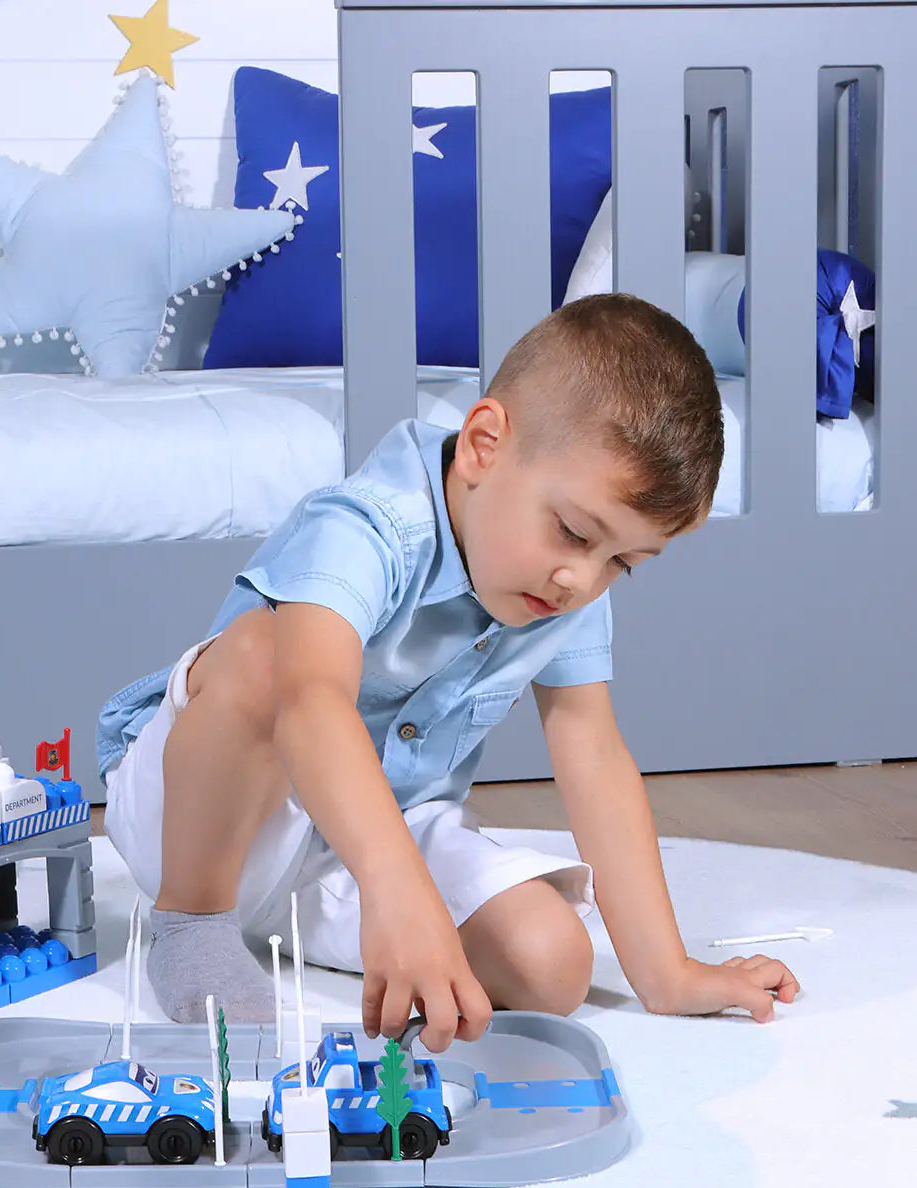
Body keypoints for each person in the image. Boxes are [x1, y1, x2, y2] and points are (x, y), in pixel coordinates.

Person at [96, 293, 800, 1053]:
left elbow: (594, 757)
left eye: (621, 562)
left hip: (375, 834)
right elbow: (310, 701)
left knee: (551, 963)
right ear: (483, 445)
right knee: (268, 651)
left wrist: (667, 973)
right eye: (573, 532)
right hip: (203, 817)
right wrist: (397, 888)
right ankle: (194, 921)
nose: (581, 580)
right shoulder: (366, 526)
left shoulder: (569, 588)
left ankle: (344, 926)